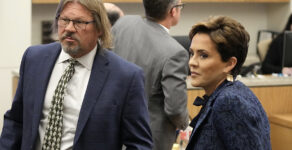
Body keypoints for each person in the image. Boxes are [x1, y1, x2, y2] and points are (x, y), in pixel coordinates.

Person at [0, 0, 153, 149]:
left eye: (80, 22)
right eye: (64, 20)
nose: (70, 28)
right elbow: (16, 120)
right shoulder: (34, 58)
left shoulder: (125, 76)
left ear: (99, 28)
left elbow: (140, 144)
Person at [111, 0, 189, 150]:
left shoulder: (124, 23)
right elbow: (175, 109)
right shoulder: (175, 52)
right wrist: (186, 125)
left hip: (115, 127)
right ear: (173, 11)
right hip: (149, 137)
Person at [186, 16, 271, 150]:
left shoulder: (229, 101)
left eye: (203, 55)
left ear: (230, 64)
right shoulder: (226, 94)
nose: (192, 62)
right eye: (192, 53)